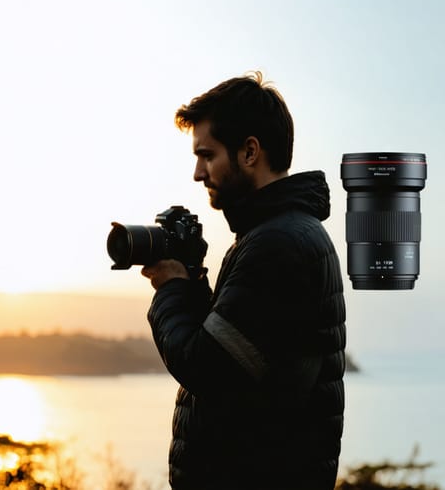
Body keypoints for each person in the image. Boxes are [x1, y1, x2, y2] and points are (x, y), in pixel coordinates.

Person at [140, 71, 346, 490]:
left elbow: (207, 368)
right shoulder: (276, 234)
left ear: (249, 151)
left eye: (207, 155)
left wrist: (171, 290)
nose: (198, 173)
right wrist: (194, 283)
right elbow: (239, 358)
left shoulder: (278, 244)